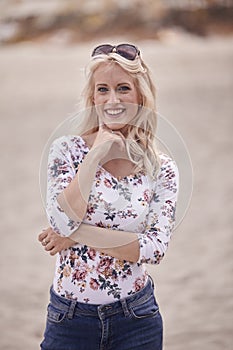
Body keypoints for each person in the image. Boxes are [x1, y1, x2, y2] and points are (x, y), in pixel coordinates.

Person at [38, 43, 179, 350]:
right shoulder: (67, 150)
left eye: (123, 88)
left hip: (137, 319)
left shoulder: (161, 168)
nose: (112, 99)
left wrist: (75, 235)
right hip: (69, 320)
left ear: (141, 95)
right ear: (93, 98)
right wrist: (96, 154)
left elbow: (153, 248)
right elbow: (59, 221)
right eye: (103, 89)